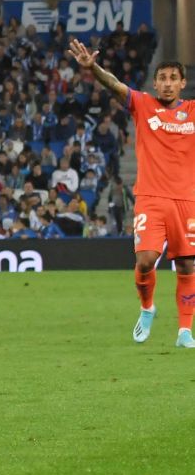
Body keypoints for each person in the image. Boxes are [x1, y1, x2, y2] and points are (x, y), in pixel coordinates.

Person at [70, 41, 195, 346]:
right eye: (162, 78)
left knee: (188, 265)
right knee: (145, 260)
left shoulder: (192, 111)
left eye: (172, 79)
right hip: (151, 198)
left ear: (182, 83)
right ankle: (147, 307)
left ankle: (184, 331)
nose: (167, 84)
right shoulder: (143, 104)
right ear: (155, 83)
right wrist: (92, 68)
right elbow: (114, 85)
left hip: (187, 200)